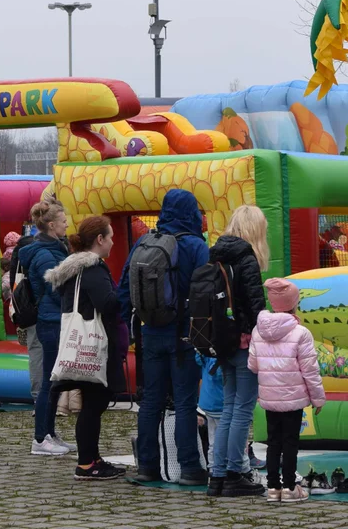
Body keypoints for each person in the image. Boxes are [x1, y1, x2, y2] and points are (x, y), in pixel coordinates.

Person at [118, 188, 209, 485]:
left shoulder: (144, 243)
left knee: (151, 402)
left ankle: (147, 466)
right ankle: (190, 468)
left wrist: (131, 324)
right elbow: (205, 292)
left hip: (151, 333)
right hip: (184, 335)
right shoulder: (196, 246)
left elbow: (124, 288)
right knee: (184, 402)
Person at [44, 216, 127, 480]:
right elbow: (108, 304)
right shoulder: (93, 269)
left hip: (78, 343)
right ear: (99, 240)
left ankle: (91, 457)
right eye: (110, 236)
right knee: (94, 403)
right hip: (95, 346)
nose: (113, 241)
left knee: (93, 403)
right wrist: (125, 292)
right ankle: (86, 463)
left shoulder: (73, 269)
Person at [206, 205, 269, 498]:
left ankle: (217, 476)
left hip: (222, 342)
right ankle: (234, 473)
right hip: (243, 342)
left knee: (229, 409)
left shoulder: (216, 254)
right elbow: (256, 307)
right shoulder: (247, 259)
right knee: (242, 409)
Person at [248, 278, 326, 503]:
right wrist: (318, 399)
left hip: (270, 398)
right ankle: (290, 487)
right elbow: (310, 370)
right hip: (293, 400)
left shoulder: (258, 330)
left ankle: (273, 488)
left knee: (274, 442)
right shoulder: (301, 333)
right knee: (290, 442)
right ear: (294, 304)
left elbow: (252, 365)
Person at [17, 200, 73, 456]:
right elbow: (56, 287)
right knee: (49, 383)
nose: (66, 224)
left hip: (55, 320)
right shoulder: (44, 254)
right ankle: (40, 438)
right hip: (51, 322)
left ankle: (49, 432)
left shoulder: (54, 248)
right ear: (51, 225)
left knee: (55, 381)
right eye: (63, 221)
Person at [9, 233, 41, 400]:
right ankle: (44, 396)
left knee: (35, 351)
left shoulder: (19, 257)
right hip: (39, 311)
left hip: (25, 311)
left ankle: (38, 396)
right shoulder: (38, 255)